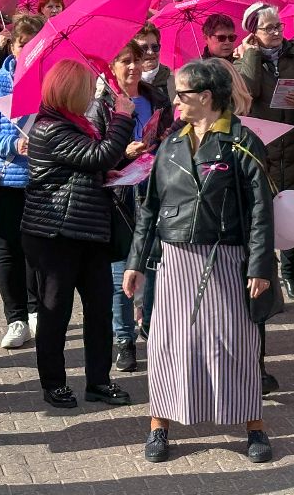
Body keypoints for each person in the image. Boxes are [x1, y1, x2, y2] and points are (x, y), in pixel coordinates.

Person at [123, 58, 275, 464]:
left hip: (225, 256)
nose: (176, 100)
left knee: (236, 343)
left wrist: (260, 265)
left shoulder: (242, 142)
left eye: (183, 94)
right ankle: (159, 426)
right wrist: (136, 262)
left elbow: (262, 209)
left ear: (206, 97)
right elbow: (150, 207)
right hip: (174, 259)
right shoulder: (171, 144)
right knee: (167, 343)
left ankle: (254, 427)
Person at [22, 59, 134, 409]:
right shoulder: (50, 128)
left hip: (89, 229)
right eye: (87, 87)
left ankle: (99, 381)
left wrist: (122, 168)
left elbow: (96, 164)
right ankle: (53, 383)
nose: (92, 94)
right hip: (55, 233)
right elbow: (98, 155)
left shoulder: (77, 123)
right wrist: (123, 117)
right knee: (55, 309)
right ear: (72, 91)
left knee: (99, 308)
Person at [89, 40, 173, 374]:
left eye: (137, 60)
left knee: (152, 268)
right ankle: (123, 341)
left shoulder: (157, 98)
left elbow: (173, 136)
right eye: (125, 61)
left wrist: (164, 141)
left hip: (154, 190)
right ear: (112, 67)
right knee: (120, 273)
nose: (133, 67)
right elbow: (95, 155)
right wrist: (125, 153)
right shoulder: (101, 105)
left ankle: (150, 327)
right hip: (119, 198)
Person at [235, 4, 294, 299]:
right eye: (268, 28)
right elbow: (247, 93)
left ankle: (290, 274)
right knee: (263, 217)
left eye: (279, 26)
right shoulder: (247, 59)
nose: (276, 33)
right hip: (263, 149)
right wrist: (252, 56)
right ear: (253, 34)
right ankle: (265, 277)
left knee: (292, 212)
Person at [0, 15, 44, 351]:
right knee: (7, 254)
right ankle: (15, 318)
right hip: (4, 181)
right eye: (22, 43)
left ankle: (36, 312)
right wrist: (11, 144)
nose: (28, 49)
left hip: (40, 180)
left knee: (37, 252)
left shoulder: (51, 82)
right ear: (12, 45)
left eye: (35, 44)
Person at [135, 23, 175, 102]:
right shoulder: (127, 84)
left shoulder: (174, 82)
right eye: (144, 48)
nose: (150, 52)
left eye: (155, 47)